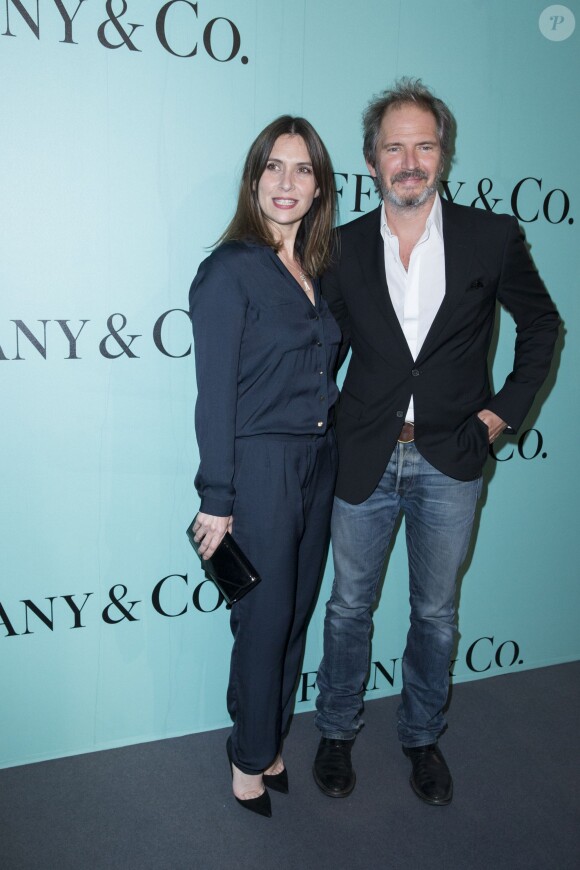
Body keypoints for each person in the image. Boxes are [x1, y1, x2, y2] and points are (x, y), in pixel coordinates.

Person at [312, 78, 560, 806]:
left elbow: (543, 327)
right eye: (395, 147)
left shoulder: (493, 235)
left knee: (435, 614)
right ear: (372, 161)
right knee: (349, 607)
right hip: (363, 456)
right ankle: (336, 730)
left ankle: (422, 737)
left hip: (453, 458)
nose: (410, 160)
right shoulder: (343, 246)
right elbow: (319, 349)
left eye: (424, 144)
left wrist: (499, 415)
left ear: (443, 155)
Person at [189, 116, 339, 818]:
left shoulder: (313, 269)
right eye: (274, 167)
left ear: (318, 185)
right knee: (264, 616)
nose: (287, 183)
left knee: (295, 614)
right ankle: (248, 758)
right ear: (254, 180)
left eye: (302, 169)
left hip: (318, 461)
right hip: (259, 469)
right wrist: (217, 498)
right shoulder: (228, 270)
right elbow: (214, 394)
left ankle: (270, 738)